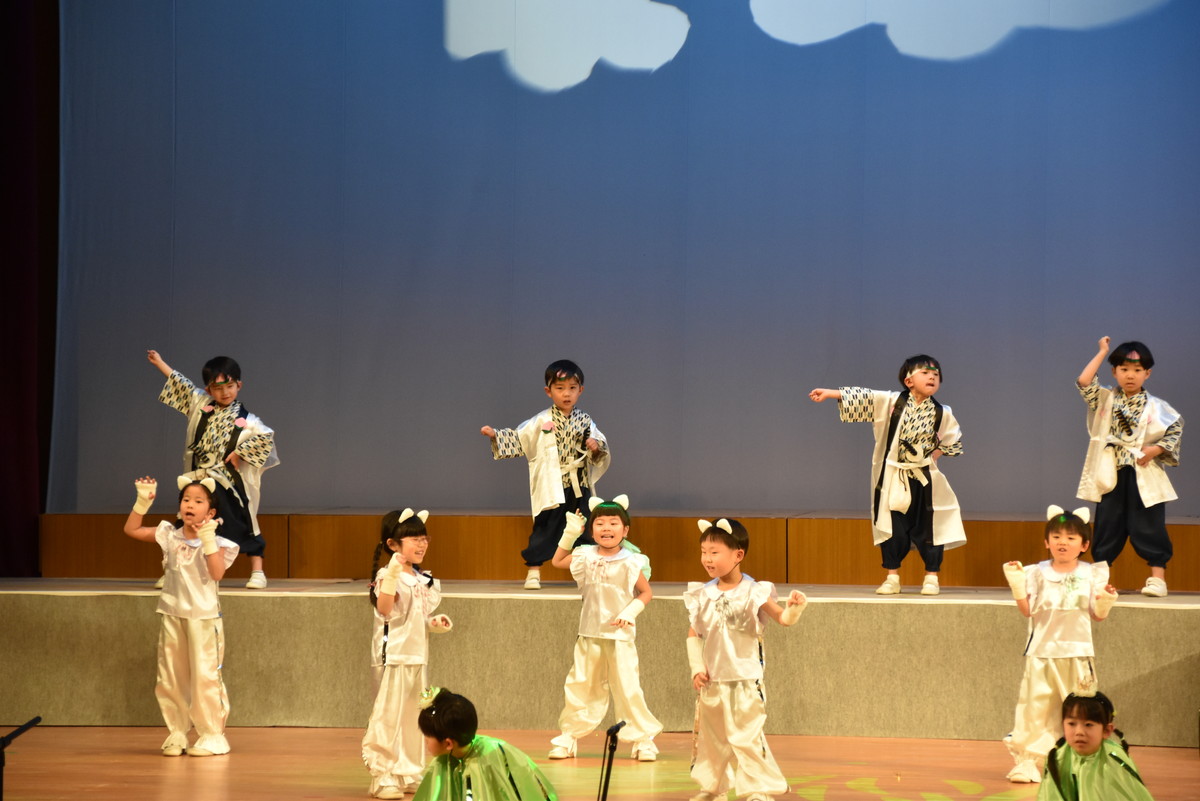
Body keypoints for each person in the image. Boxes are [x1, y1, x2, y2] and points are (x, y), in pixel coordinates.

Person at [809, 354, 966, 595]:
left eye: (936, 374)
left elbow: (951, 441)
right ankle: (892, 576)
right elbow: (866, 397)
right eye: (925, 373)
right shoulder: (892, 402)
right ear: (909, 381)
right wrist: (831, 393)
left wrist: (932, 457)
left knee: (930, 526)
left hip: (925, 478)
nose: (932, 377)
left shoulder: (942, 412)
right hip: (893, 476)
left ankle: (931, 577)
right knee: (893, 526)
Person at [684, 518, 807, 801]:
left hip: (745, 679)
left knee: (747, 737)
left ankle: (758, 789)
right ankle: (714, 788)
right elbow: (694, 632)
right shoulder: (703, 594)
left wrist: (794, 609)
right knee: (712, 739)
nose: (707, 559)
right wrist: (696, 667)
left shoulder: (754, 591)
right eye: (704, 552)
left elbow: (783, 618)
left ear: (738, 555)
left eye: (714, 552)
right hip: (713, 681)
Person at [122, 475, 239, 756]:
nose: (190, 505)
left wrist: (207, 540)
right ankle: (177, 732)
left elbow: (217, 574)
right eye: (186, 500)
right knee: (171, 676)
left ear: (211, 511)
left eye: (198, 501)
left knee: (204, 677)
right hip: (172, 614)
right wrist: (142, 503)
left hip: (203, 618)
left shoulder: (218, 542)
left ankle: (212, 735)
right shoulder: (169, 535)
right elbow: (132, 530)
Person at [1002, 506, 1118, 783]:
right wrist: (1017, 584)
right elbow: (1027, 611)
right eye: (1056, 537)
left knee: (1080, 710)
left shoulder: (1092, 574)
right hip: (1042, 652)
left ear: (1084, 545)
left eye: (1070, 537)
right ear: (1047, 542)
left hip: (1077, 652)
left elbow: (1097, 616)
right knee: (1036, 708)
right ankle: (1031, 762)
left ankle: (1080, 761)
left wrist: (1106, 599)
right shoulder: (1035, 572)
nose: (1062, 542)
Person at [147, 349, 279, 589]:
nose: (224, 392)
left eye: (229, 386)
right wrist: (160, 363)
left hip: (229, 484)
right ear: (208, 390)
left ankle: (257, 571)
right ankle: (172, 570)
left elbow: (266, 437)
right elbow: (182, 384)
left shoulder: (248, 421)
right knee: (186, 522)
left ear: (239, 385)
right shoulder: (199, 405)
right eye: (218, 388)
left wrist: (241, 452)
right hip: (198, 482)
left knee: (243, 523)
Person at [546, 495, 661, 760]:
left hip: (620, 637)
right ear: (591, 529)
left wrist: (629, 613)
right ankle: (569, 736)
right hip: (590, 634)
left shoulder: (631, 561)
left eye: (613, 523)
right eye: (600, 523)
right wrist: (570, 533)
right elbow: (557, 561)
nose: (606, 528)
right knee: (580, 685)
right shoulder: (584, 556)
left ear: (625, 530)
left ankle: (642, 739)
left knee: (628, 687)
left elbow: (645, 593)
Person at [480, 359, 610, 589]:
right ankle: (534, 571)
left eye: (572, 388)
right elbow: (520, 438)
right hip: (553, 484)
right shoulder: (542, 420)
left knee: (584, 529)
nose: (566, 393)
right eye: (560, 388)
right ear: (549, 391)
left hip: (579, 484)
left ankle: (586, 573)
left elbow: (599, 448)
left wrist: (595, 446)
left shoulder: (585, 420)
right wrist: (496, 436)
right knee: (545, 526)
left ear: (580, 390)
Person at [1075, 337, 1183, 597]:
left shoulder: (1159, 407)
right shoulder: (1104, 398)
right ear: (1114, 372)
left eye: (1137, 370)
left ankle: (1157, 579)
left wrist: (1156, 449)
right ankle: (1101, 580)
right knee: (1107, 524)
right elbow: (1084, 381)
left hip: (1144, 472)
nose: (1130, 375)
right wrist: (1102, 351)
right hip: (1111, 471)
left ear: (1147, 373)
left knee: (1149, 524)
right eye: (1124, 369)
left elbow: (1174, 430)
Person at [362, 509, 454, 800]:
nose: (421, 544)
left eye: (424, 538)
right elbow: (385, 609)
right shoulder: (388, 576)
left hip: (417, 657)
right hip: (393, 657)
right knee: (388, 717)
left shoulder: (422, 578)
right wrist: (391, 574)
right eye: (414, 538)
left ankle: (408, 772)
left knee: (415, 716)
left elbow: (417, 617)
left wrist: (433, 623)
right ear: (392, 544)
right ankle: (382, 775)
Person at [413, 688, 557, 801]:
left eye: (428, 736)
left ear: (448, 743)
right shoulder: (446, 758)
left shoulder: (485, 763)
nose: (425, 740)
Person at [1038, 692, 1156, 800]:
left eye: (1088, 724)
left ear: (1106, 731)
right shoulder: (1058, 758)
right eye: (1072, 724)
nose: (1079, 732)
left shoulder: (1114, 759)